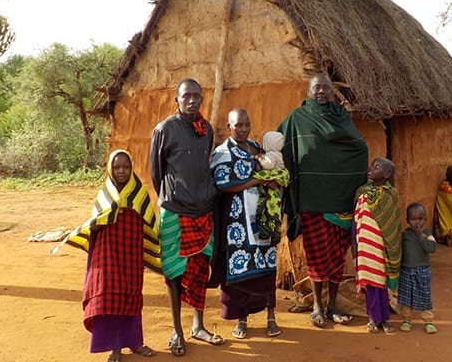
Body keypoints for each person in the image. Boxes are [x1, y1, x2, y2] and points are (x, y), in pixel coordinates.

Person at [277, 73, 369, 328]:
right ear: (308, 91)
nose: (321, 92)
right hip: (312, 200)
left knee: (337, 258)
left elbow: (359, 147)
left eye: (326, 88)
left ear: (332, 91)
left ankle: (333, 305)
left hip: (341, 203)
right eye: (316, 88)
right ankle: (317, 305)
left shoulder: (342, 117)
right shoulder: (297, 119)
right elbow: (278, 144)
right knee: (317, 257)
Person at [149, 78, 224, 357]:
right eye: (186, 96)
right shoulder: (164, 129)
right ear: (176, 100)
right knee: (173, 272)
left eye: (197, 96)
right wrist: (175, 196)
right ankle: (177, 330)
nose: (192, 100)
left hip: (203, 211)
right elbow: (156, 173)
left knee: (199, 270)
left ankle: (198, 325)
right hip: (175, 211)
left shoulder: (206, 131)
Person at [210, 109, 288, 339]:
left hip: (263, 220)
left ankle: (271, 317)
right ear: (229, 125)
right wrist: (256, 180)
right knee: (239, 272)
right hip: (237, 226)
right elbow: (222, 185)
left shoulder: (256, 147)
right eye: (238, 125)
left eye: (247, 125)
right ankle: (242, 320)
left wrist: (272, 182)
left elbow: (274, 169)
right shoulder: (222, 153)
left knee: (266, 269)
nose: (243, 129)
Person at [74, 149, 158, 362]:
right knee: (110, 297)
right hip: (108, 254)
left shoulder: (140, 194)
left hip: (131, 253)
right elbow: (96, 223)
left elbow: (149, 223)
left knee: (131, 296)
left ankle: (135, 342)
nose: (122, 171)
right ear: (110, 169)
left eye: (126, 167)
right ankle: (115, 347)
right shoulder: (104, 194)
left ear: (131, 169)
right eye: (117, 167)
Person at [353, 157, 403, 334]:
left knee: (381, 282)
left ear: (387, 174)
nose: (371, 169)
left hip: (381, 245)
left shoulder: (391, 194)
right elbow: (356, 220)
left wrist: (391, 245)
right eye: (372, 166)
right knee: (370, 283)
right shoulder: (362, 192)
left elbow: (393, 225)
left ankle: (385, 319)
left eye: (377, 167)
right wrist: (355, 247)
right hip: (365, 244)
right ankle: (373, 318)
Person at [398, 202, 438, 334]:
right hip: (406, 270)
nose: (417, 223)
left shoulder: (427, 234)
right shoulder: (405, 235)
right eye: (413, 219)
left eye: (420, 219)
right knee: (406, 297)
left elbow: (431, 248)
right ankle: (406, 320)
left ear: (425, 220)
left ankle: (429, 321)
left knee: (424, 295)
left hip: (423, 271)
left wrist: (421, 235)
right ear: (407, 221)